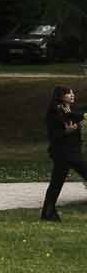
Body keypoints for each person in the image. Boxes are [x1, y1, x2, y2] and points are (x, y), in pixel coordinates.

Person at [42, 85, 86, 222]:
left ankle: (47, 213)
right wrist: (67, 131)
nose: (72, 95)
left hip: (70, 153)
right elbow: (54, 135)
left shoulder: (67, 109)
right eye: (68, 93)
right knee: (56, 183)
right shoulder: (55, 112)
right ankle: (48, 213)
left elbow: (73, 116)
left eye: (72, 93)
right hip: (64, 153)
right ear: (60, 96)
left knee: (56, 184)